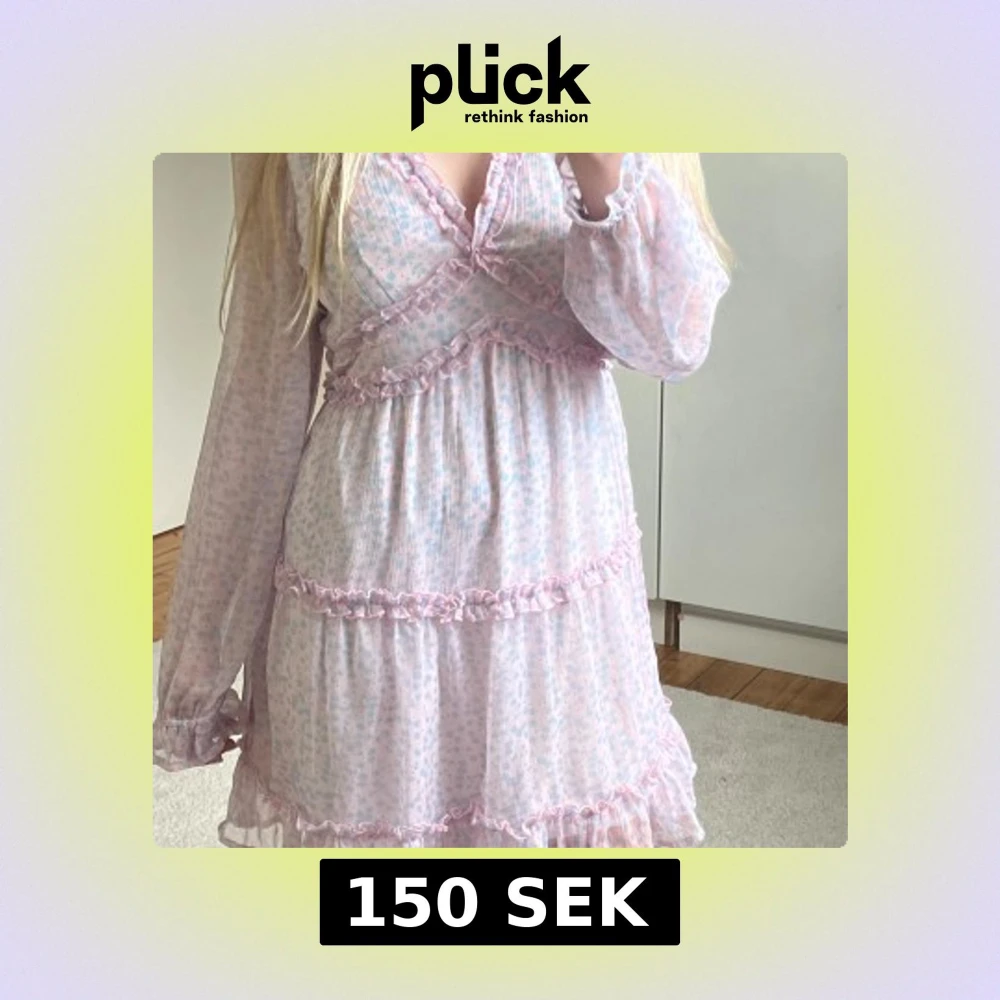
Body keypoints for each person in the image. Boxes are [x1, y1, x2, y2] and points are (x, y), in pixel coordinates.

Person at [153, 150, 734, 848]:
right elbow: (257, 405)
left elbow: (675, 343)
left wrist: (601, 162)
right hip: (372, 609)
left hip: (560, 612)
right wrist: (196, 676)